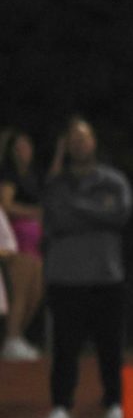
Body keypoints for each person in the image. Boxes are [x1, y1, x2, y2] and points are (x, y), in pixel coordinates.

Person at [38, 117, 133, 418]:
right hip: (65, 278)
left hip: (106, 277)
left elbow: (119, 216)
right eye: (73, 138)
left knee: (111, 347)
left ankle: (115, 405)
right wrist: (95, 212)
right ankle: (61, 408)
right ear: (66, 145)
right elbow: (56, 221)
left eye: (85, 137)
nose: (80, 143)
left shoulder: (113, 180)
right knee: (64, 350)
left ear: (94, 142)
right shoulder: (55, 183)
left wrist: (77, 209)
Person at [0, 129, 46, 361]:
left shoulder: (33, 175)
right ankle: (11, 338)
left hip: (36, 242)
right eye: (19, 147)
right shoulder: (9, 175)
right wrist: (34, 213)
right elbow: (5, 205)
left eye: (27, 146)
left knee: (35, 292)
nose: (24, 151)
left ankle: (17, 336)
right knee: (19, 292)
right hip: (19, 239)